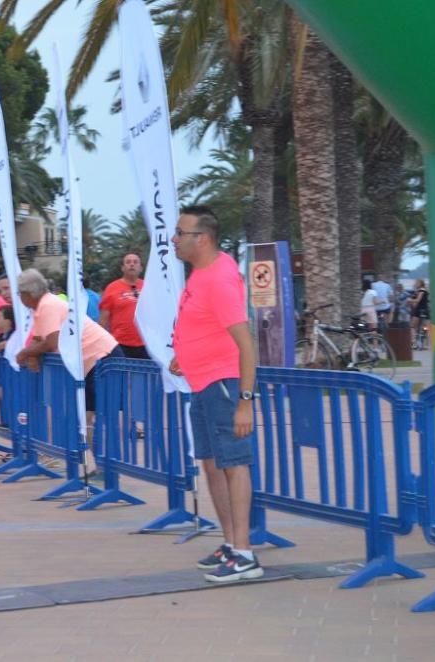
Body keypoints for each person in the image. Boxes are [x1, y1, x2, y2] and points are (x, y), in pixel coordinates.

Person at [169, 205, 263, 583]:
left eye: (179, 233)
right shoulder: (200, 274)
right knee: (211, 464)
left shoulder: (218, 279)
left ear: (201, 239)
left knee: (234, 465)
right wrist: (185, 353)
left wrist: (244, 402)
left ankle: (245, 554)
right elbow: (205, 325)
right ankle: (230, 543)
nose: (173, 240)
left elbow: (246, 345)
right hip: (202, 382)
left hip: (223, 385)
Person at [15, 268, 120, 473]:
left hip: (101, 356)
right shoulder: (42, 307)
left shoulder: (48, 305)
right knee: (88, 414)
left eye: (20, 294)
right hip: (91, 360)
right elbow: (40, 339)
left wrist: (26, 353)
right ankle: (98, 465)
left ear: (28, 294)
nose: (19, 298)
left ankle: (109, 465)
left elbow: (52, 341)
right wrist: (32, 353)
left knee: (101, 413)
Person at [99, 253, 148, 359]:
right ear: (122, 268)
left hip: (146, 345)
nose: (132, 264)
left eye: (135, 262)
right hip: (120, 345)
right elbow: (103, 321)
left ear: (141, 268)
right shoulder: (112, 288)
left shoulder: (148, 287)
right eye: (128, 262)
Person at [410, 279, 431, 349]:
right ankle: (427, 344)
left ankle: (413, 342)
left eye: (416, 283)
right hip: (426, 310)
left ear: (420, 284)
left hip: (419, 310)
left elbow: (417, 300)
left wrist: (409, 300)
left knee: (413, 327)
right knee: (428, 328)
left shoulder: (421, 291)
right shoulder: (425, 291)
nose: (415, 284)